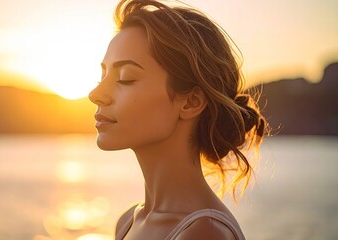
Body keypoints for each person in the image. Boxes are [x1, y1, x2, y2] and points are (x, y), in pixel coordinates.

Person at [88, 0, 267, 239]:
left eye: (125, 77)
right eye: (102, 76)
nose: (95, 94)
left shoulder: (205, 234)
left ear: (190, 102)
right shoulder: (127, 222)